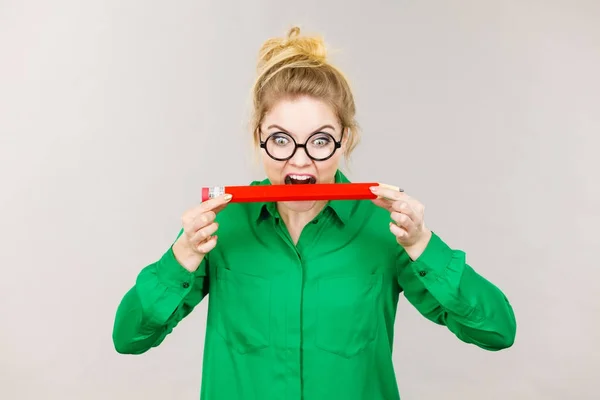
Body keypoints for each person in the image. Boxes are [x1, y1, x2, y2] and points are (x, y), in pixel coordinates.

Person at [112, 26, 517, 400]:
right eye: (281, 140)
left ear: (345, 140)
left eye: (320, 140)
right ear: (259, 138)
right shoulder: (222, 227)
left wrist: (423, 245)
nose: (299, 163)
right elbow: (129, 338)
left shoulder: (384, 229)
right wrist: (181, 257)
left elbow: (498, 331)